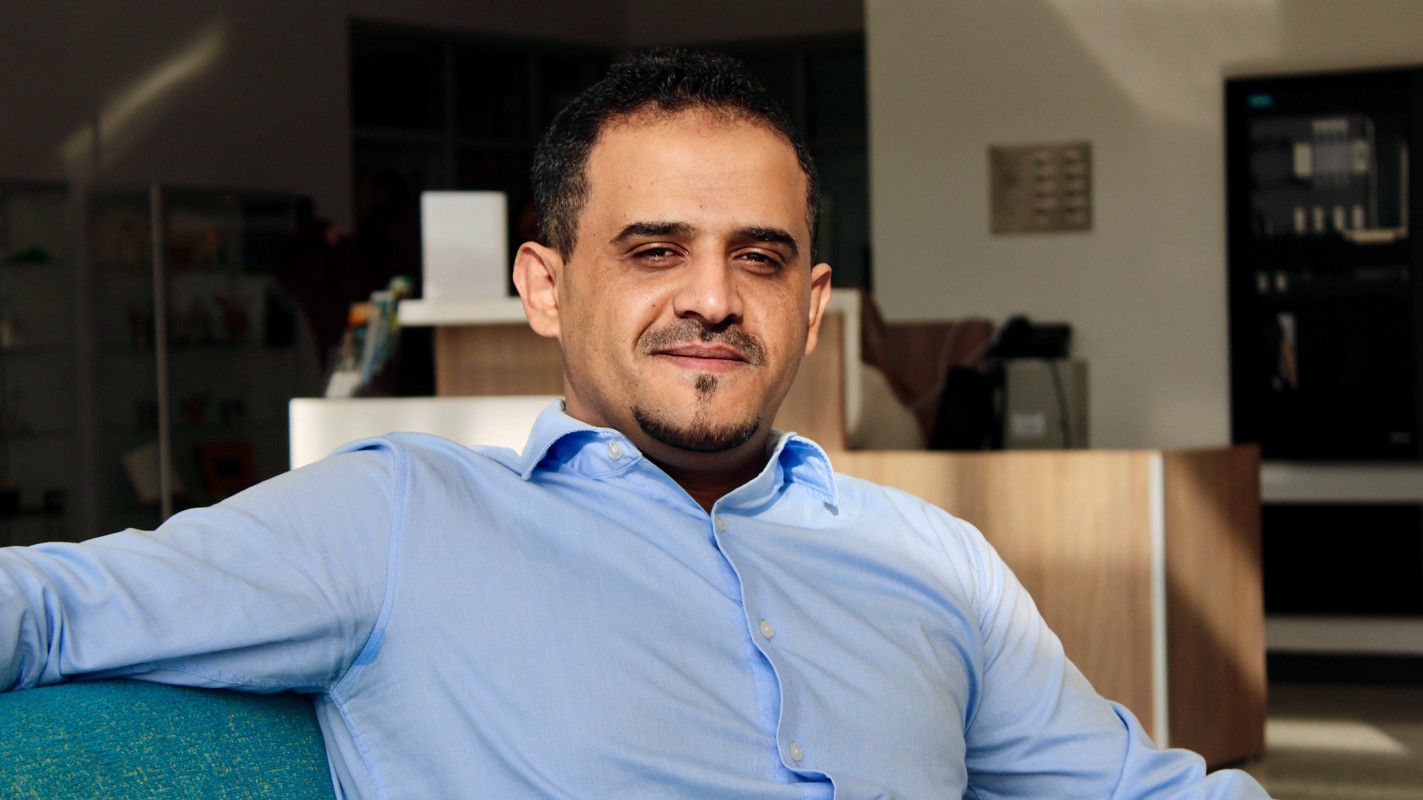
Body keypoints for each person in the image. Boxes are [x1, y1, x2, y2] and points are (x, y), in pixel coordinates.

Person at [0, 49, 1269, 798]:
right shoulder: (398, 519)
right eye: (655, 249)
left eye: (759, 257)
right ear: (545, 286)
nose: (712, 297)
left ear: (810, 305)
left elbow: (1131, 788)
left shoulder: (935, 559)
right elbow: (51, 606)